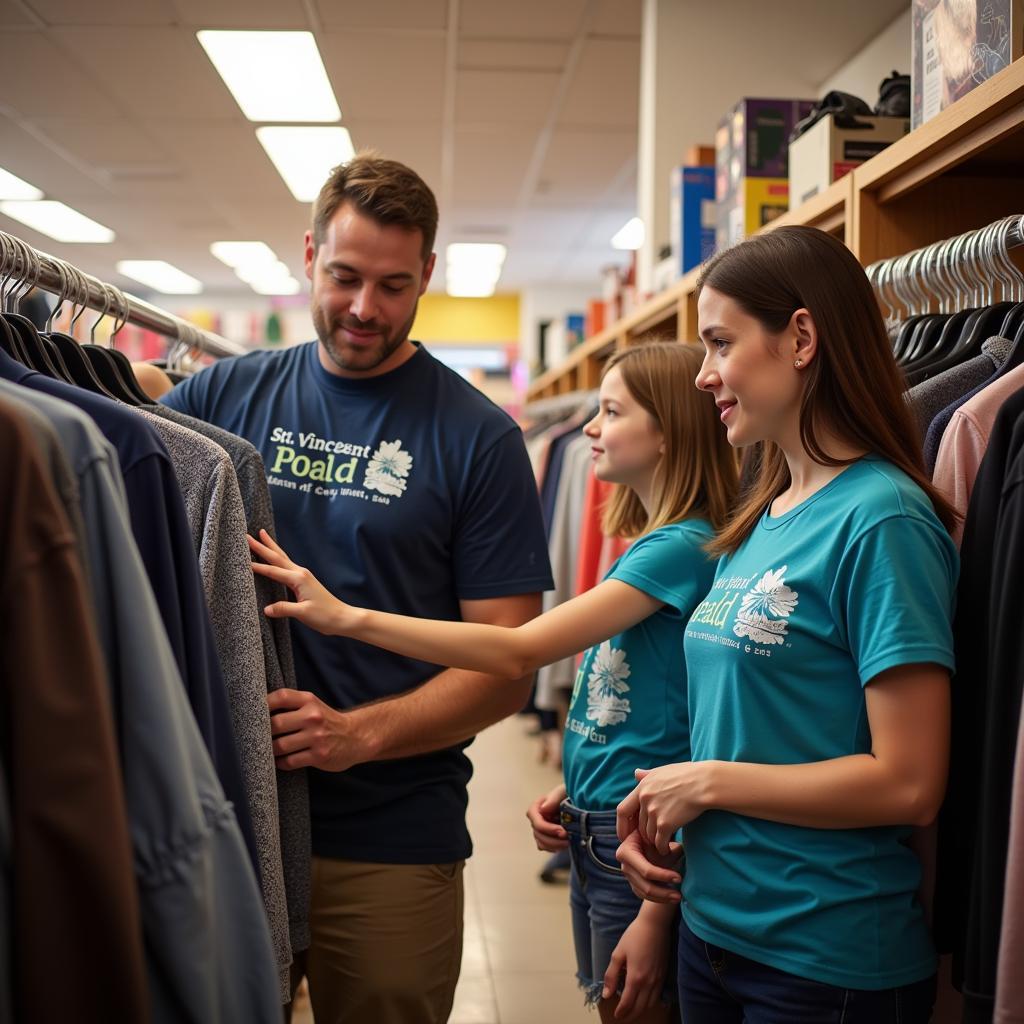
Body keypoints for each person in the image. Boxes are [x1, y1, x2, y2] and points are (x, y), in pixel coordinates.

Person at [161, 153, 553, 1024]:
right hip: (229, 822)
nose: (365, 308)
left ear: (428, 277)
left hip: (388, 839)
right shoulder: (220, 397)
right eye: (344, 277)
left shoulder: (479, 439)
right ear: (308, 253)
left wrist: (355, 735)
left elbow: (507, 666)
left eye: (393, 284)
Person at [248, 341, 739, 1023]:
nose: (590, 428)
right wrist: (584, 781)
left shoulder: (681, 547)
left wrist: (347, 617)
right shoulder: (652, 543)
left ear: (669, 434)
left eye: (611, 411)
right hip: (605, 823)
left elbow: (517, 651)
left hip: (643, 852)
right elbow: (649, 702)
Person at [615, 226, 960, 1024]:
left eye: (719, 343)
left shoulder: (882, 519)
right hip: (714, 930)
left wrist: (703, 783)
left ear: (800, 337)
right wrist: (663, 891)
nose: (703, 375)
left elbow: (910, 782)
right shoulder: (759, 515)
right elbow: (743, 732)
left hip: (824, 958)